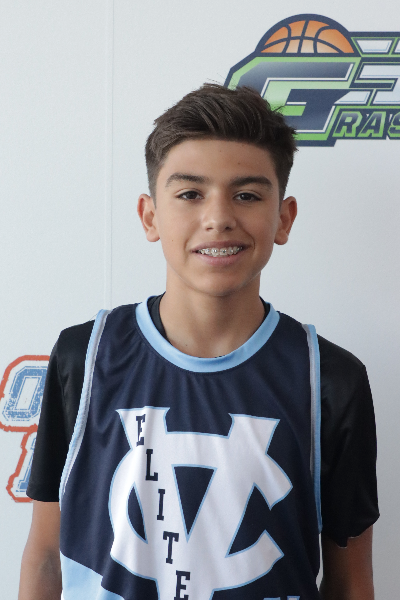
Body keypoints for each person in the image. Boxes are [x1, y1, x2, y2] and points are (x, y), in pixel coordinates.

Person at [18, 84, 379, 600]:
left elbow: (350, 581)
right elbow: (45, 558)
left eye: (247, 195)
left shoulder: (330, 380)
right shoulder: (84, 356)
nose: (218, 217)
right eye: (190, 194)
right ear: (150, 216)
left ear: (283, 218)